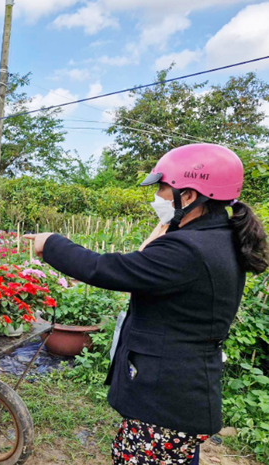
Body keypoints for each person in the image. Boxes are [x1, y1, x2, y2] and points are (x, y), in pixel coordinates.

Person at [26, 144, 268, 465]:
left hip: (164, 401)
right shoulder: (218, 236)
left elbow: (108, 269)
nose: (158, 196)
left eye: (163, 188)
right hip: (183, 393)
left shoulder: (189, 249)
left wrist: (52, 244)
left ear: (190, 195)